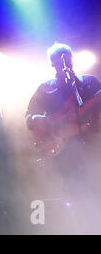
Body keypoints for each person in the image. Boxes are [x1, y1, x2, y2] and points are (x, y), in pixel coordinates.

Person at [25, 42, 101, 233]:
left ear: (71, 58)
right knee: (74, 196)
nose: (63, 62)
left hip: (92, 145)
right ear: (52, 64)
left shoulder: (89, 83)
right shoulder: (45, 88)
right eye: (58, 60)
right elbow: (29, 116)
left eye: (66, 57)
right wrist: (39, 119)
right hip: (63, 152)